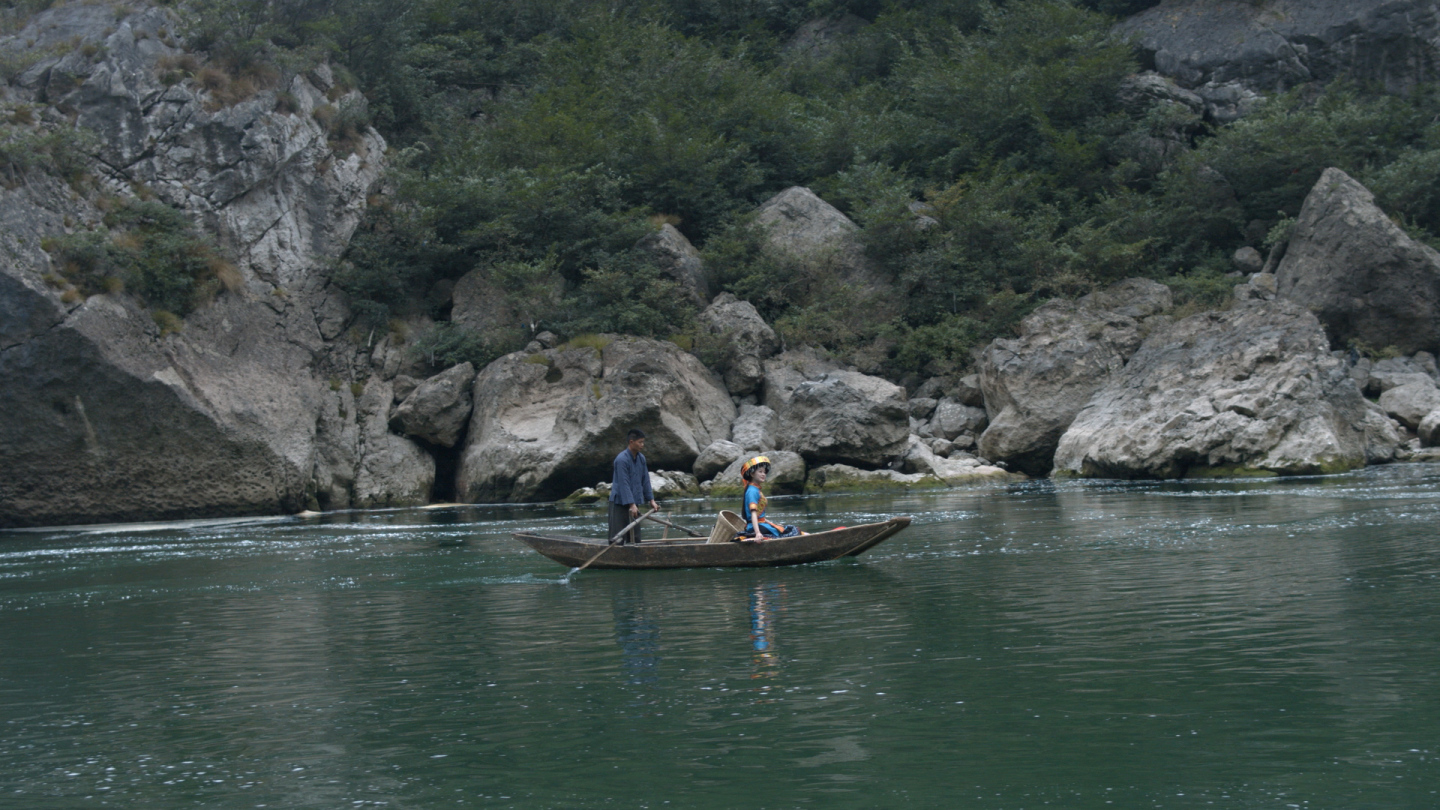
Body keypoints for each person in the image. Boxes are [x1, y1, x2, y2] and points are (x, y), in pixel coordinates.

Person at [610, 429, 659, 544]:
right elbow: (624, 484)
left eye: (643, 442)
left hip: (633, 502)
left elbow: (645, 480)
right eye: (640, 442)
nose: (642, 445)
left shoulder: (641, 458)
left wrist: (651, 500)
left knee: (635, 537)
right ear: (631, 442)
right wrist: (631, 504)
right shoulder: (621, 459)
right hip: (620, 502)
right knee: (618, 538)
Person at [739, 456, 801, 542]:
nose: (763, 474)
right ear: (752, 474)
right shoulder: (752, 491)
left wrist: (773, 524)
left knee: (786, 528)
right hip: (756, 526)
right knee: (792, 529)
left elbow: (760, 517)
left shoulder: (755, 489)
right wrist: (758, 533)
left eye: (764, 472)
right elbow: (753, 514)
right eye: (760, 471)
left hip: (760, 524)